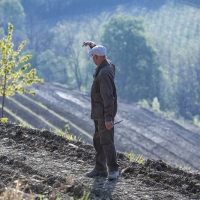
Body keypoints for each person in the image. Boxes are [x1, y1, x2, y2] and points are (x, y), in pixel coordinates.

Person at [82, 41, 119, 180]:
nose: (93, 59)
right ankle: (100, 168)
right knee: (98, 140)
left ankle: (113, 170)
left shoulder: (103, 74)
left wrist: (108, 118)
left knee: (106, 141)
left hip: (103, 114)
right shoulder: (109, 66)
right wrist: (93, 46)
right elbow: (103, 55)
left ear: (97, 57)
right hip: (100, 113)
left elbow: (107, 97)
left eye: (93, 56)